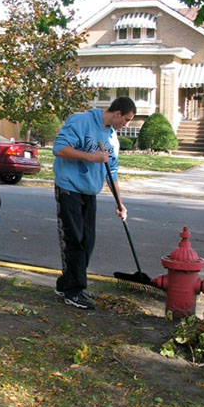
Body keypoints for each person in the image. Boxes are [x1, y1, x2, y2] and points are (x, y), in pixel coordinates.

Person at [53, 97, 136, 309]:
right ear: (116, 113)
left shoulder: (111, 137)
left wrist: (120, 203)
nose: (126, 124)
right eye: (126, 119)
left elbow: (112, 172)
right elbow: (60, 149)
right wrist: (91, 157)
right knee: (74, 240)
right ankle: (74, 291)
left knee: (87, 241)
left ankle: (66, 284)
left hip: (90, 191)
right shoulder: (80, 121)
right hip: (69, 187)